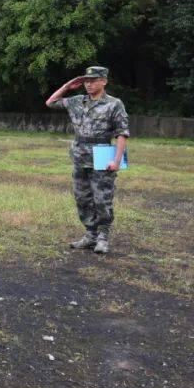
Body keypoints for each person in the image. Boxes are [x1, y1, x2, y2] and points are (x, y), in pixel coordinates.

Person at [46, 66, 129, 254]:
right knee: (82, 198)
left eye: (93, 80)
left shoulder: (114, 104)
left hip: (102, 156)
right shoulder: (77, 101)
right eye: (86, 81)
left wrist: (116, 161)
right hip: (80, 156)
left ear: (104, 81)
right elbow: (51, 102)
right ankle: (90, 234)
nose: (88, 84)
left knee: (102, 198)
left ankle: (103, 237)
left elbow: (122, 134)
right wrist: (68, 85)